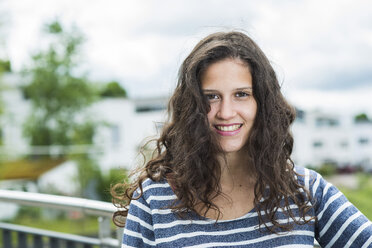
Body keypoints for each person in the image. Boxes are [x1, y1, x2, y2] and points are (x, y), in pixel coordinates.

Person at [112, 31, 372, 247]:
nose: (225, 112)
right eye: (211, 96)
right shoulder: (153, 199)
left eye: (241, 94)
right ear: (191, 106)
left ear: (263, 103)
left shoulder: (305, 191)